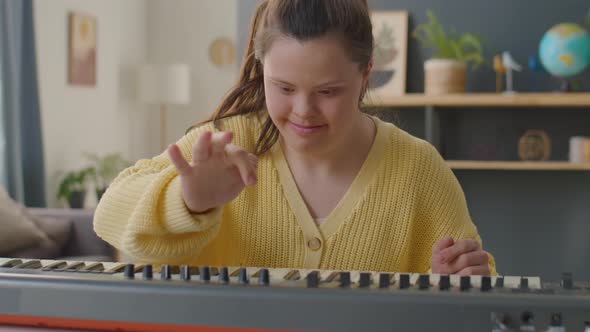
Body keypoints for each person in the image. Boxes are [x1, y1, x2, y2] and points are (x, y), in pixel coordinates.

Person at [94, 0, 496, 276]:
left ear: (366, 74)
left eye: (327, 91)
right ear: (260, 67)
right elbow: (109, 213)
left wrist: (452, 284)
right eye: (283, 88)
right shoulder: (226, 145)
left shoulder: (418, 169)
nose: (303, 110)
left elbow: (476, 295)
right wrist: (188, 200)